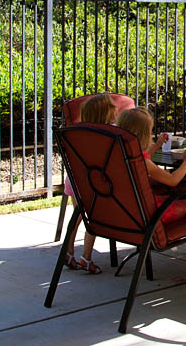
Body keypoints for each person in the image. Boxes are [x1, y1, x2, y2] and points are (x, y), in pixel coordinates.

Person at [64, 92, 117, 274]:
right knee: (94, 218)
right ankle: (86, 257)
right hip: (94, 183)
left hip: (74, 180)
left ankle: (68, 252)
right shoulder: (107, 135)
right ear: (106, 114)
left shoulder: (77, 133)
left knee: (77, 216)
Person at [117, 106, 186, 223]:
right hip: (147, 215)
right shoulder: (143, 162)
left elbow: (141, 161)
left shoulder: (120, 154)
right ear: (144, 134)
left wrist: (157, 145)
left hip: (125, 209)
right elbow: (173, 180)